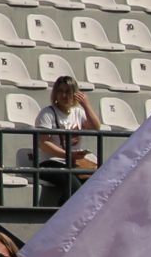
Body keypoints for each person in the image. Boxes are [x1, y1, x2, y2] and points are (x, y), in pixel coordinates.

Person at [33, 75, 101, 210]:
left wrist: (86, 105)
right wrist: (66, 155)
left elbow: (95, 127)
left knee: (95, 182)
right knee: (73, 186)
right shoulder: (47, 113)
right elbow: (43, 143)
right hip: (50, 162)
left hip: (73, 162)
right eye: (60, 91)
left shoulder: (78, 112)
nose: (64, 95)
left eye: (68, 92)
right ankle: (59, 220)